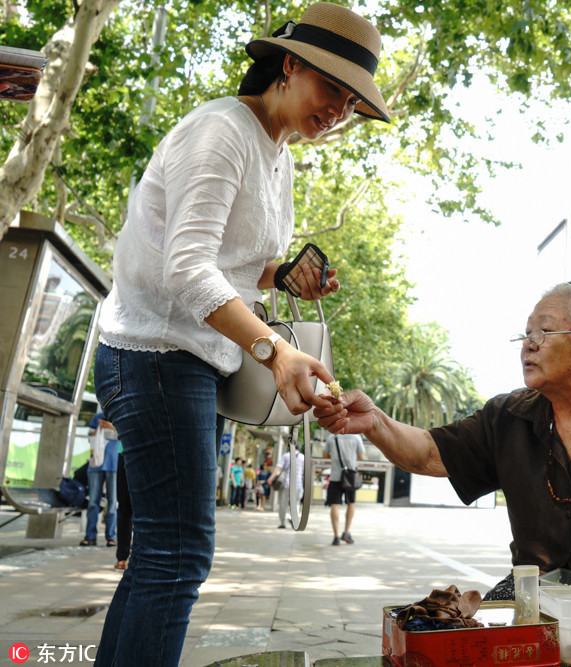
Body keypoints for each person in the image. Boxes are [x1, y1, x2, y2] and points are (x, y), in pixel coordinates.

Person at [91, 4, 390, 663]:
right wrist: (275, 347)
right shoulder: (223, 131)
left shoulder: (276, 152)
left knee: (162, 555)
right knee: (179, 554)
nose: (338, 109)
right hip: (155, 354)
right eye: (331, 89)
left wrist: (282, 274)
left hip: (186, 359)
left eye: (350, 102)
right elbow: (186, 266)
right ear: (289, 64)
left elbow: (226, 258)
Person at [317, 281, 571, 612]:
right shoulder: (508, 415)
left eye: (542, 333)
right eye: (525, 334)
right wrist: (375, 422)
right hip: (539, 595)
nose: (528, 345)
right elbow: (427, 452)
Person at [81, 413, 119, 548]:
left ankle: (111, 537)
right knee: (92, 502)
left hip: (114, 465)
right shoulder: (98, 417)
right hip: (95, 465)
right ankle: (90, 536)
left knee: (113, 503)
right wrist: (100, 427)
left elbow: (127, 437)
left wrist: (112, 426)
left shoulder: (119, 414)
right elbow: (90, 437)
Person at [322, 432, 365, 545]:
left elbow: (325, 455)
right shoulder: (356, 437)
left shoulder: (332, 437)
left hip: (335, 476)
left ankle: (336, 536)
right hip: (350, 477)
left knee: (335, 505)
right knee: (351, 503)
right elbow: (361, 456)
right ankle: (346, 532)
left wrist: (335, 457)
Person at [270, 447, 305, 529]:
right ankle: (292, 518)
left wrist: (271, 477)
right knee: (296, 503)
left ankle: (282, 523)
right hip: (298, 484)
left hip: (286, 484)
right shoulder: (303, 457)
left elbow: (278, 467)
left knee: (283, 504)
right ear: (299, 448)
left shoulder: (286, 456)